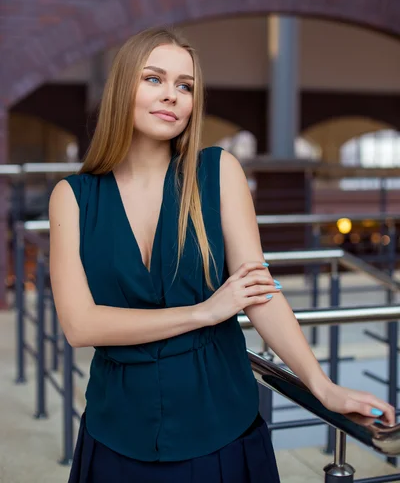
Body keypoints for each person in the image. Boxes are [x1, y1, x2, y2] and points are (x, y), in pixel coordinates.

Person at [49, 26, 395, 483]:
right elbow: (80, 325)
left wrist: (322, 386)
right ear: (122, 89)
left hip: (221, 424)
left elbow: (259, 294)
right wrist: (205, 312)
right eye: (153, 79)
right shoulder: (73, 197)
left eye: (185, 85)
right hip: (117, 431)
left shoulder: (218, 172)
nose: (171, 95)